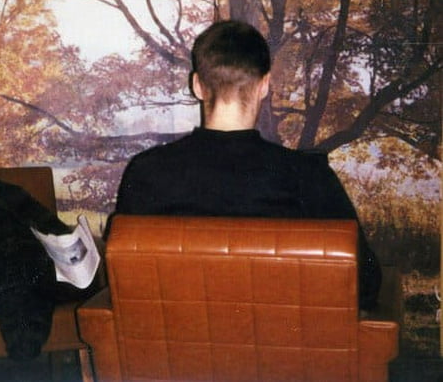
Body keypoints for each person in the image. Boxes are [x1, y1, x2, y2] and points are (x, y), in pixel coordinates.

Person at [113, 19, 381, 311]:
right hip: (282, 338)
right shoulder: (309, 176)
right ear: (264, 85)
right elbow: (366, 285)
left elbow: (125, 281)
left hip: (175, 337)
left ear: (197, 86)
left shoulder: (146, 173)